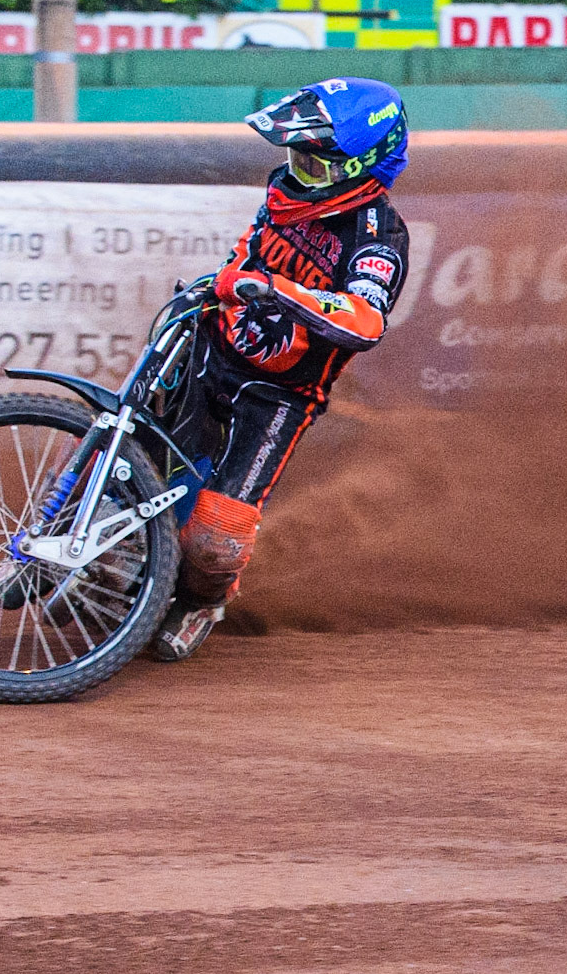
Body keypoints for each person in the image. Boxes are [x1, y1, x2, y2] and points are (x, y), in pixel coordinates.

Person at [153, 77, 411, 662]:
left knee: (215, 543)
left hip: (281, 395)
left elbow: (364, 319)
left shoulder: (379, 234)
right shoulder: (282, 197)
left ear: (360, 166)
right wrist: (224, 283)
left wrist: (278, 291)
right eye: (295, 156)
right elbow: (243, 258)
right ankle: (55, 524)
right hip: (214, 349)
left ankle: (199, 602)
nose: (300, 172)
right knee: (127, 444)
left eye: (317, 165)